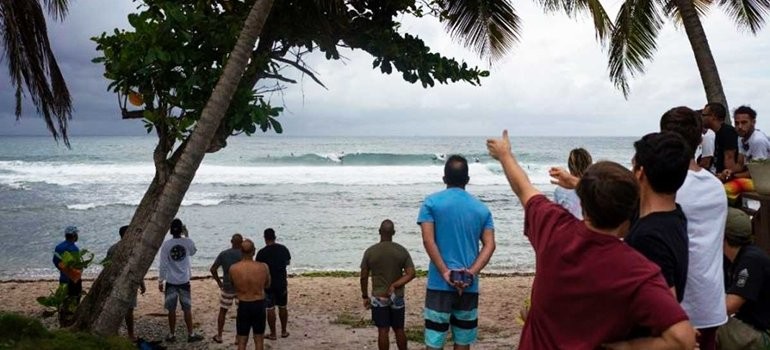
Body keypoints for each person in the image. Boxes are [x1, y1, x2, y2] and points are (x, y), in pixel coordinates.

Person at [490, 130, 695, 349]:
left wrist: (505, 155)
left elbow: (524, 188)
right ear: (630, 212)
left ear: (583, 201)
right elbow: (682, 338)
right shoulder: (638, 270)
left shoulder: (552, 227)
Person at [660, 106, 728, 350]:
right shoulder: (715, 187)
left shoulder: (665, 188)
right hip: (709, 302)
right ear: (700, 139)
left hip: (672, 303)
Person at [417, 154, 495, 350]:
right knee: (462, 342)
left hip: (438, 284)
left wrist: (444, 271)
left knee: (434, 342)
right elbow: (490, 245)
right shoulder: (482, 209)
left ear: (444, 179)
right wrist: (471, 272)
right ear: (467, 180)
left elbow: (428, 240)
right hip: (469, 285)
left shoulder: (431, 203)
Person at [625, 132, 691, 303]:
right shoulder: (675, 215)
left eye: (633, 167)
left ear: (640, 173)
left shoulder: (648, 238)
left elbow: (666, 306)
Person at [360, 219, 416, 350]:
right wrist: (396, 284)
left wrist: (365, 296)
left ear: (379, 232)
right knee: (399, 329)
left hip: (379, 297)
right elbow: (411, 273)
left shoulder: (370, 251)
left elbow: (363, 277)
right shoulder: (401, 251)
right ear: (394, 233)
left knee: (383, 330)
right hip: (396, 296)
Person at [718, 208, 770, 349]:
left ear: (722, 236)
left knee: (708, 326)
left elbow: (729, 306)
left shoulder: (751, 261)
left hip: (763, 335)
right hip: (751, 327)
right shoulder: (740, 257)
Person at [158, 218, 203, 343]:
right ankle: (191, 334)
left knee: (171, 309)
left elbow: (163, 264)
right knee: (187, 308)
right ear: (182, 229)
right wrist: (187, 235)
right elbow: (193, 252)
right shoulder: (187, 242)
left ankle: (172, 334)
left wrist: (161, 280)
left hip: (171, 281)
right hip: (184, 281)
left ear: (170, 231)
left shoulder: (166, 245)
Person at [106, 225, 147, 341]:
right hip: (129, 282)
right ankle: (130, 335)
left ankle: (114, 333)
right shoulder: (134, 249)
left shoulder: (112, 249)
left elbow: (107, 268)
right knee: (129, 311)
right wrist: (142, 283)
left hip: (115, 282)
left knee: (113, 309)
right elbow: (136, 269)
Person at [722, 106, 770, 204]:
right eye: (736, 123)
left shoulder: (758, 141)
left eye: (744, 122)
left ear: (753, 122)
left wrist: (733, 176)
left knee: (725, 189)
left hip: (765, 180)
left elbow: (757, 173)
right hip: (759, 178)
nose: (739, 126)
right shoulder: (741, 137)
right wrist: (728, 172)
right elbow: (740, 165)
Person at [230, 239, 271, 350]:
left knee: (242, 341)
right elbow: (267, 285)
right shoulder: (263, 267)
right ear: (254, 251)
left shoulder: (234, 268)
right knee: (259, 339)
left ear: (241, 252)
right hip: (258, 304)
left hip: (243, 304)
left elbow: (234, 285)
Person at [255, 228, 292, 340]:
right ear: (275, 237)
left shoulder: (262, 253)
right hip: (281, 282)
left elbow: (259, 268)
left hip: (268, 283)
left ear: (265, 238)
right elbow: (288, 262)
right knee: (283, 306)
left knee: (270, 308)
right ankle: (284, 331)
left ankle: (273, 333)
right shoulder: (283, 249)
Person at [209, 233, 244, 344]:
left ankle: (219, 335)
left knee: (223, 311)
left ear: (231, 241)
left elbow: (213, 269)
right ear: (241, 242)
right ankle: (238, 337)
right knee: (241, 312)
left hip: (227, 286)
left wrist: (219, 282)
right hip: (241, 287)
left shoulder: (224, 254)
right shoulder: (244, 255)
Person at [53, 225, 83, 327]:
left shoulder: (59, 247)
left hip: (63, 277)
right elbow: (77, 265)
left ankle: (62, 321)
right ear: (74, 236)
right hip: (73, 279)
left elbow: (55, 261)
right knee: (74, 300)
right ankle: (71, 321)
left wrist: (63, 270)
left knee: (63, 299)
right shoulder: (74, 249)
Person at [553, 148, 592, 219]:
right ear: (589, 164)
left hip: (568, 228)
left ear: (569, 165)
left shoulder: (560, 189)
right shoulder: (595, 188)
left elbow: (556, 216)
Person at [702, 102, 738, 175]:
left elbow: (729, 161)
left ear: (713, 117)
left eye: (703, 115)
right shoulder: (715, 133)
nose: (701, 118)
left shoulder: (728, 132)